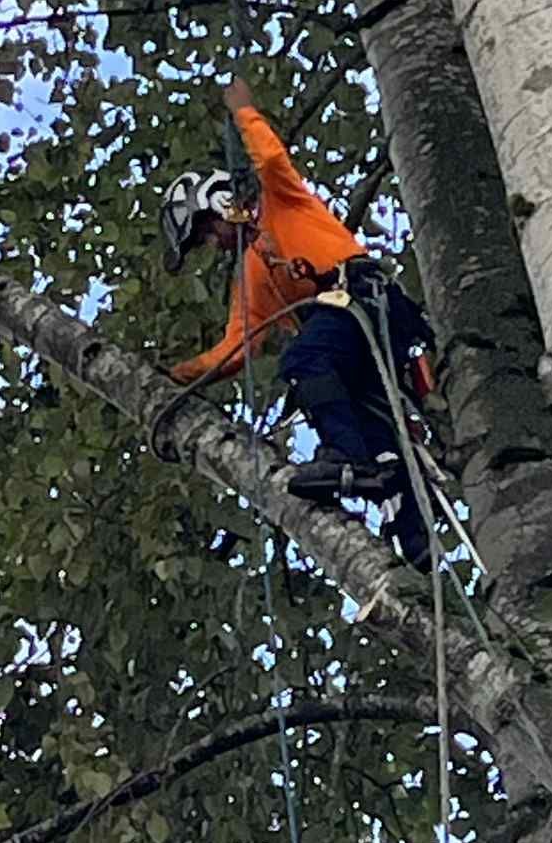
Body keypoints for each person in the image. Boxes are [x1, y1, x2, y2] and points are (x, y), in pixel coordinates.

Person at [161, 75, 436, 568]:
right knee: (385, 442)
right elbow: (237, 345)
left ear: (222, 203)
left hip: (365, 301)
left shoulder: (278, 202)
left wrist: (245, 112)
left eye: (208, 228)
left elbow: (269, 159)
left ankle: (345, 459)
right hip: (348, 343)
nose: (214, 241)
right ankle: (416, 545)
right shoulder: (250, 276)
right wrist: (177, 375)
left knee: (304, 358)